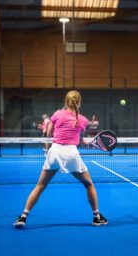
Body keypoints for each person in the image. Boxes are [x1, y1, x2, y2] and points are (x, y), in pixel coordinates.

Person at [13, 90, 108, 228]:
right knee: (89, 185)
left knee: (40, 186)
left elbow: (49, 133)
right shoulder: (82, 120)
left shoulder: (57, 114)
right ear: (79, 102)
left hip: (55, 152)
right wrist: (90, 145)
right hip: (71, 154)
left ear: (66, 101)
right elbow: (81, 142)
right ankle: (96, 217)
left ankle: (23, 217)